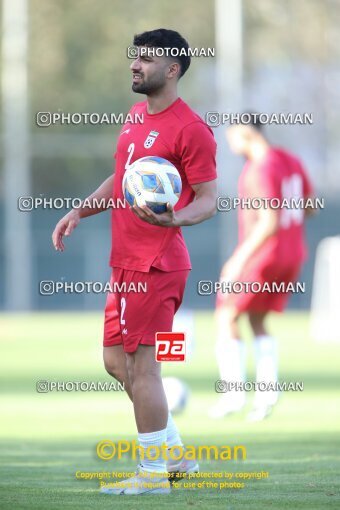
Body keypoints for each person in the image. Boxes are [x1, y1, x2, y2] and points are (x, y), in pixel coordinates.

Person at [52, 28, 217, 495]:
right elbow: (123, 176)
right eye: (135, 57)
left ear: (173, 69)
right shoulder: (135, 115)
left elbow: (209, 199)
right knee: (114, 362)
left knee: (144, 369)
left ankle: (152, 475)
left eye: (146, 59)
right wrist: (81, 210)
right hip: (124, 262)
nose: (134, 64)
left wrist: (174, 220)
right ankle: (178, 457)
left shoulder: (191, 129)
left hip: (158, 264)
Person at [209, 114, 315, 422]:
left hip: (264, 256)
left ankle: (232, 395)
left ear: (246, 133)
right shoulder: (290, 160)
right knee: (257, 320)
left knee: (226, 314)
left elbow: (268, 221)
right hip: (293, 253)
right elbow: (309, 204)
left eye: (231, 137)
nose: (229, 144)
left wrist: (238, 258)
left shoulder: (259, 169)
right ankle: (267, 394)